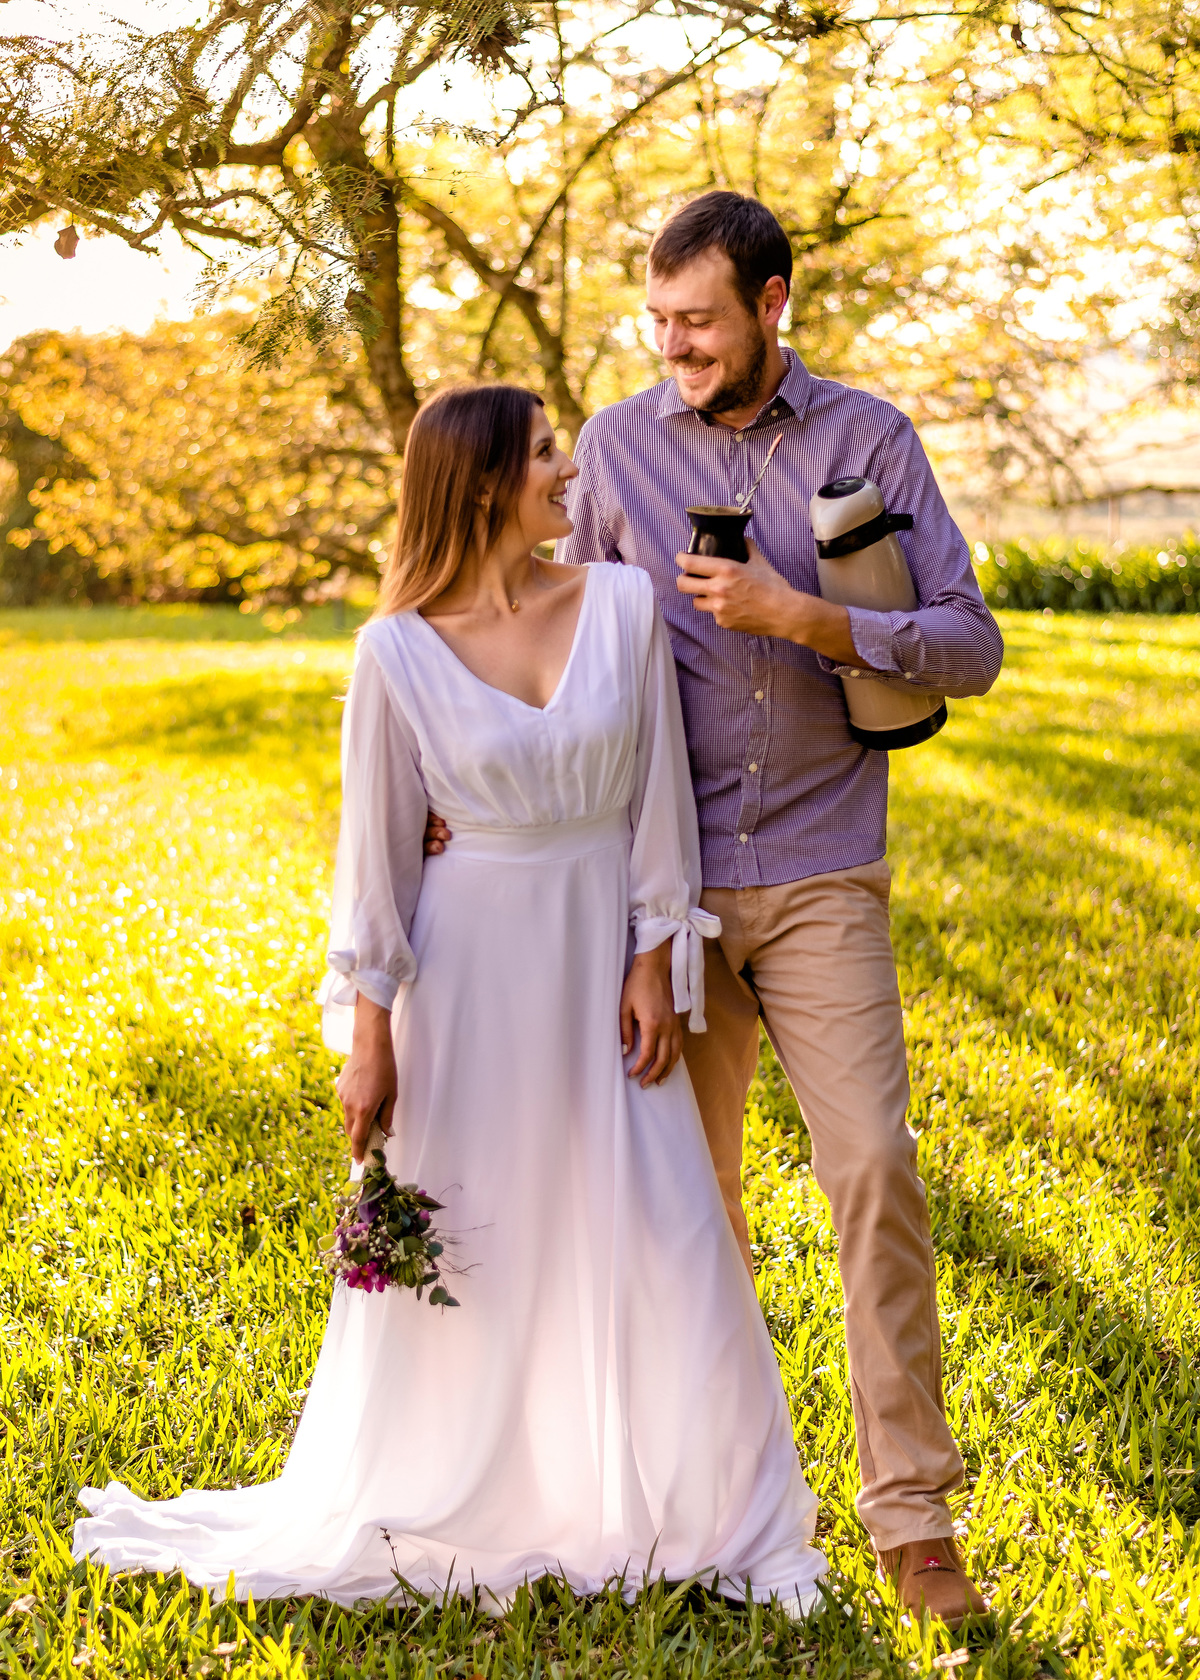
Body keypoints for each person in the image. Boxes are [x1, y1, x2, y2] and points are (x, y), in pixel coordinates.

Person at [73, 383, 826, 1615]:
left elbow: (656, 800)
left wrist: (651, 955)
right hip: (466, 978)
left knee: (665, 1224)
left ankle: (718, 1511)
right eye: (541, 453)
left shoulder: (622, 602)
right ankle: (473, 1486)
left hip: (600, 962)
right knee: (470, 1237)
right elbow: (372, 866)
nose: (567, 469)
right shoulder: (395, 652)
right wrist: (370, 1042)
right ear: (480, 483)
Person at [546, 191, 1002, 1625]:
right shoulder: (617, 448)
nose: (674, 345)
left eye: (700, 320)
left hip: (816, 870)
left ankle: (913, 1519)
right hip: (665, 892)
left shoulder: (867, 440)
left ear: (774, 303)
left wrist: (808, 621)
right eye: (659, 321)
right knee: (691, 1206)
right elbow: (562, 650)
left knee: (870, 1167)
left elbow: (971, 644)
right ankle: (715, 1502)